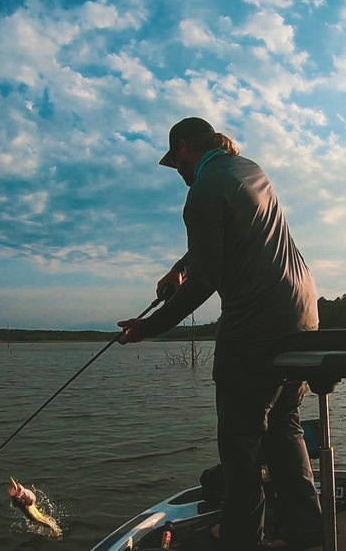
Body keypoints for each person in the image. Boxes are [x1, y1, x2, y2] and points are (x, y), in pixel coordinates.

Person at [117, 117, 323, 550]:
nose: (179, 174)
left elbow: (208, 277)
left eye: (176, 164)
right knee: (284, 425)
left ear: (185, 147)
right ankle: (306, 533)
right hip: (304, 313)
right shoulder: (249, 169)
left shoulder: (202, 191)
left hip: (255, 322)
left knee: (240, 440)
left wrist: (148, 328)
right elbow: (222, 239)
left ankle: (243, 538)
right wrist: (179, 268)